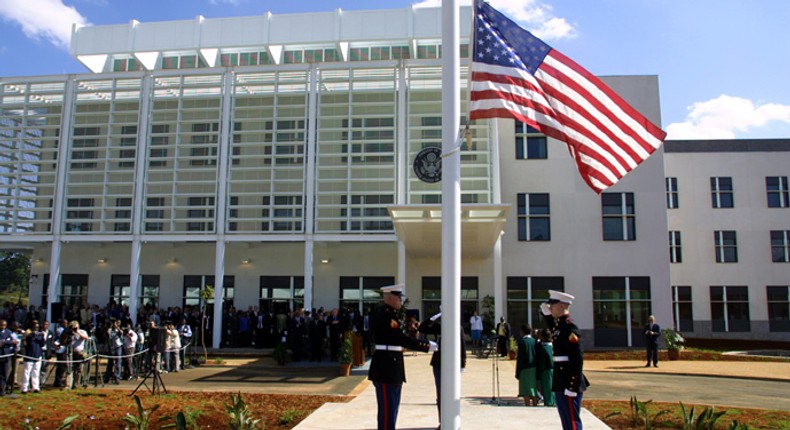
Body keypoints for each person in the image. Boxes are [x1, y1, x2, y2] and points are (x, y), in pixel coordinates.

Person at [368, 284, 436, 430]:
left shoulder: (390, 315)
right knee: (387, 412)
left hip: (391, 365)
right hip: (386, 367)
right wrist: (426, 346)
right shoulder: (386, 316)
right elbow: (401, 339)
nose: (400, 301)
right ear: (389, 298)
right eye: (398, 298)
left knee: (391, 410)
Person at [541, 290, 589, 430]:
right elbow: (554, 329)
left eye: (552, 305)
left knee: (572, 422)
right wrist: (546, 315)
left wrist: (572, 385)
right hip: (561, 378)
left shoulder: (570, 328)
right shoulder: (560, 326)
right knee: (566, 420)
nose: (550, 308)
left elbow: (577, 358)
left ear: (562, 306)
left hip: (568, 379)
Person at [418, 311, 466, 428]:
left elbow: (462, 347)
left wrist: (462, 365)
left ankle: (452, 421)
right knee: (440, 395)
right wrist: (436, 316)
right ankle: (442, 422)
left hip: (452, 365)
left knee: (451, 394)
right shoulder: (440, 327)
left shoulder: (457, 328)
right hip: (438, 363)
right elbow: (422, 327)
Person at [515, 324, 538, 406]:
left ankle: (528, 406)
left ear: (523, 332)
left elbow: (520, 358)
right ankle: (535, 405)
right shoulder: (534, 341)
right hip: (534, 368)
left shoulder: (522, 342)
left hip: (524, 369)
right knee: (533, 389)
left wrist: (517, 372)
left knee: (526, 391)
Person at [21, 320, 46, 393]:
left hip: (37, 355)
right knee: (27, 373)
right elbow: (27, 341)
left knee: (36, 372)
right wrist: (33, 334)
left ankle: (35, 387)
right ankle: (24, 388)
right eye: (35, 326)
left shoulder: (39, 335)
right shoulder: (28, 334)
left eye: (37, 327)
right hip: (29, 356)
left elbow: (42, 343)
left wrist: (42, 337)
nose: (36, 328)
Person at [536, 328, 556, 407]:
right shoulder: (553, 346)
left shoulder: (543, 348)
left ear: (543, 337)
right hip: (554, 370)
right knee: (552, 388)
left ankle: (549, 403)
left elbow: (541, 363)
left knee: (547, 389)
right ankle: (553, 402)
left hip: (546, 371)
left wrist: (538, 376)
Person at [0, 319, 20, 396]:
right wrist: (6, 342)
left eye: (4, 325)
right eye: (1, 325)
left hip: (6, 356)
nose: (3, 326)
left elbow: (13, 341)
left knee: (4, 374)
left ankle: (2, 390)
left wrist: (4, 342)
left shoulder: (8, 332)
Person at [69, 320, 89, 389]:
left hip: (80, 352)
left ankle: (78, 384)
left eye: (76, 327)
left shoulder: (82, 331)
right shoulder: (70, 333)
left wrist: (77, 332)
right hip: (72, 353)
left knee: (79, 369)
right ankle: (71, 384)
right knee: (71, 369)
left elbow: (86, 338)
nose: (75, 328)